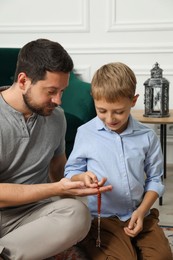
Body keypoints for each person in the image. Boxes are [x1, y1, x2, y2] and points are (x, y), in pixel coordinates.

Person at [0, 39, 112, 260]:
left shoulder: (56, 118)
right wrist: (55, 188)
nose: (58, 101)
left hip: (34, 215)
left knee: (78, 214)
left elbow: (59, 171)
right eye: (51, 91)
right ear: (23, 81)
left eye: (63, 91)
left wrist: (78, 180)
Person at [64, 62, 173, 259]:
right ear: (94, 101)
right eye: (102, 110)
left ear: (133, 100)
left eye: (119, 111)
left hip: (140, 213)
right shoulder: (85, 133)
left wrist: (142, 211)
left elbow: (156, 179)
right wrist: (82, 177)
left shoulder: (147, 136)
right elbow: (70, 171)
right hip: (103, 219)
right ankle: (89, 241)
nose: (110, 118)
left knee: (162, 257)